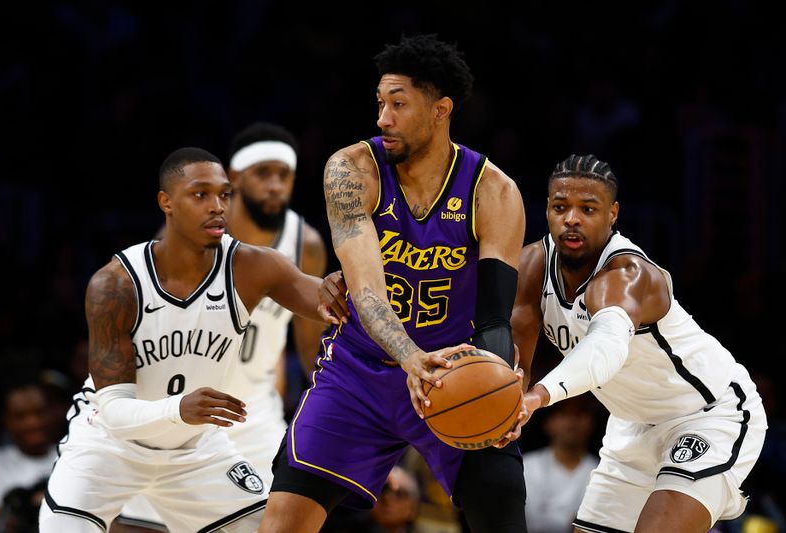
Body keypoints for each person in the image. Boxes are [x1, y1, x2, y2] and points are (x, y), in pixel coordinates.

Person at [258, 33, 528, 533]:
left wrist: (496, 381)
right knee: (282, 522)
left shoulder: (495, 191)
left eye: (399, 104)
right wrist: (407, 356)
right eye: (380, 103)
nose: (383, 118)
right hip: (359, 371)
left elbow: (494, 316)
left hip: (452, 372)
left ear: (441, 109)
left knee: (503, 507)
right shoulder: (351, 170)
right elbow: (365, 292)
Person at [39, 147, 342, 533]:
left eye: (224, 195)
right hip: (109, 446)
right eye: (201, 195)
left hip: (196, 449)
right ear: (166, 201)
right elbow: (114, 410)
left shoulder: (251, 266)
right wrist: (180, 408)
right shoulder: (115, 284)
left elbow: (327, 303)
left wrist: (344, 287)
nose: (217, 206)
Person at [512, 154, 768, 532]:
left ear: (612, 214)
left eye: (588, 208)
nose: (571, 219)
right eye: (560, 206)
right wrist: (504, 400)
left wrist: (537, 396)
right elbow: (515, 358)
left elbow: (605, 351)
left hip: (709, 413)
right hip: (631, 424)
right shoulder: (533, 265)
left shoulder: (628, 275)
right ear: (547, 210)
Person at [113, 123, 331, 532]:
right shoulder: (187, 234)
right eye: (263, 173)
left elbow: (312, 347)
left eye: (284, 176)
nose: (275, 186)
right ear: (234, 179)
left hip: (255, 416)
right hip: (184, 411)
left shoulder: (306, 243)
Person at [522, 395, 600, 533]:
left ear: (591, 422)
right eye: (563, 414)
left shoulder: (602, 471)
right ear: (548, 423)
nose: (572, 421)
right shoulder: (527, 466)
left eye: (579, 414)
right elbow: (529, 521)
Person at [0, 380, 58, 531]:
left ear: (52, 413)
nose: (33, 423)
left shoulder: (73, 455)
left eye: (39, 412)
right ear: (6, 420)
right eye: (21, 416)